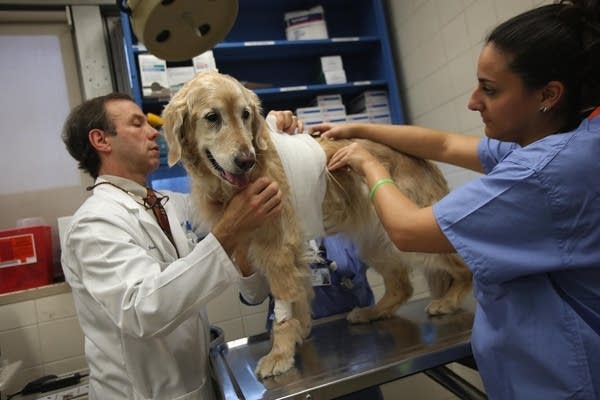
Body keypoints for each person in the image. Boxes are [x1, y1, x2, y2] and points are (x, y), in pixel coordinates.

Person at [311, 1, 600, 398]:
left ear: (548, 94)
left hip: (559, 381)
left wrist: (369, 163)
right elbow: (444, 143)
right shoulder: (567, 144)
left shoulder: (542, 173)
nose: (472, 101)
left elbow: (409, 231)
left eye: (490, 90)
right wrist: (357, 128)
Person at [60, 92, 301, 400]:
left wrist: (270, 136)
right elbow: (141, 311)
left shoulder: (176, 205)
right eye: (138, 124)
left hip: (197, 384)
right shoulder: (93, 224)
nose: (153, 132)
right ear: (101, 140)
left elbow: (249, 287)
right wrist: (228, 232)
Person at [239, 233, 384, 400]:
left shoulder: (345, 218)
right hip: (292, 354)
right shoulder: (271, 221)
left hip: (354, 343)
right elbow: (253, 296)